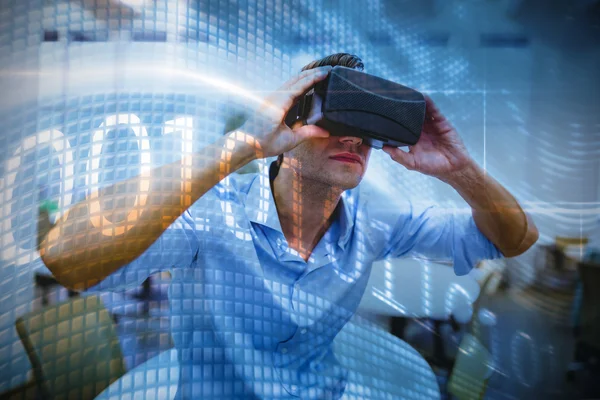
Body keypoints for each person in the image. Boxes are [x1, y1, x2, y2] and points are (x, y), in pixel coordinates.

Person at [39, 53, 539, 399]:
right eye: (333, 117)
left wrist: (458, 169)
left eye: (367, 126)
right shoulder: (214, 214)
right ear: (289, 125)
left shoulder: (376, 216)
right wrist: (241, 145)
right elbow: (65, 258)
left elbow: (514, 239)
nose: (354, 138)